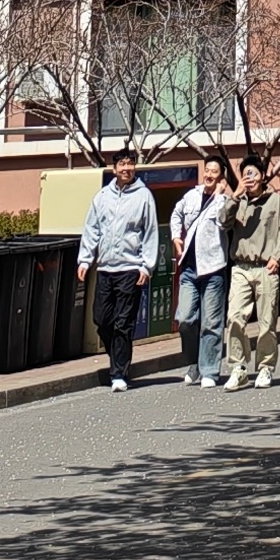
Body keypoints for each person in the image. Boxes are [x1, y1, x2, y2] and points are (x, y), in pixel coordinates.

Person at [76, 161, 162, 391]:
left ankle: (119, 374)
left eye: (130, 164)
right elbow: (92, 228)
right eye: (122, 164)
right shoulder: (102, 197)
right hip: (105, 268)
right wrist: (85, 259)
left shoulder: (144, 196)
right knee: (102, 319)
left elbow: (150, 231)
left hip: (130, 268)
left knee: (123, 322)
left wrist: (146, 266)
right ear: (114, 169)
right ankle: (117, 357)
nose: (126, 168)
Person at [226, 153, 280, 390]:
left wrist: (277, 257)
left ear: (262, 176)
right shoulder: (238, 201)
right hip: (241, 267)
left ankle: (265, 367)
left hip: (266, 267)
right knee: (235, 317)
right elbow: (222, 221)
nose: (249, 178)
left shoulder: (276, 202)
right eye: (245, 174)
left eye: (253, 173)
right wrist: (235, 196)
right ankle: (238, 367)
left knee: (267, 322)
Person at [169, 155, 233, 387]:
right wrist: (176, 237)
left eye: (214, 171)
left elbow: (227, 222)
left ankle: (209, 370)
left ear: (221, 176)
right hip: (189, 268)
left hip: (213, 267)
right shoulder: (191, 195)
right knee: (185, 318)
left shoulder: (224, 200)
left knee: (211, 322)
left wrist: (221, 197)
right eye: (207, 170)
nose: (209, 174)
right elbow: (176, 214)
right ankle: (194, 363)